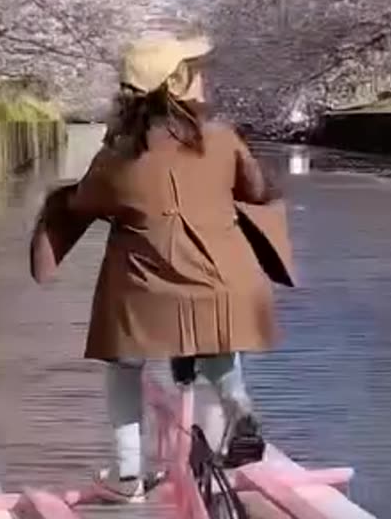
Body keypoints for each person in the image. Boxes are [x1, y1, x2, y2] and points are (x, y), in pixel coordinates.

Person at [30, 32, 288, 504]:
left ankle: (128, 474)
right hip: (224, 288)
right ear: (176, 84)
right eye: (193, 69)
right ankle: (240, 409)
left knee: (125, 365)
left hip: (145, 294)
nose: (203, 76)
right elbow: (257, 190)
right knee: (214, 336)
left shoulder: (116, 157)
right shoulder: (222, 139)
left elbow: (85, 202)